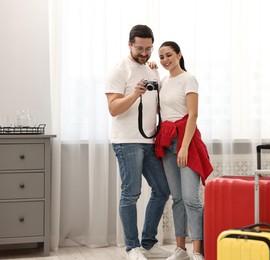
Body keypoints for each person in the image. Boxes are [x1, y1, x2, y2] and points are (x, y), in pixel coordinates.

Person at [105, 25, 171, 260]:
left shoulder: (151, 69)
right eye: (140, 48)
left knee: (163, 189)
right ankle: (132, 248)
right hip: (127, 142)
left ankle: (148, 243)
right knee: (131, 193)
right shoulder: (118, 70)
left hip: (150, 141)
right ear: (130, 45)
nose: (145, 53)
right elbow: (113, 109)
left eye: (149, 49)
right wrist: (134, 94)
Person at [155, 41, 213, 260]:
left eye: (168, 55)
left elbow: (193, 115)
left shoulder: (189, 79)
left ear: (179, 55)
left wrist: (185, 147)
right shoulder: (163, 81)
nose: (165, 60)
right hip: (166, 139)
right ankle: (180, 249)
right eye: (161, 57)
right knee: (177, 198)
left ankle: (197, 251)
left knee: (191, 198)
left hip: (184, 140)